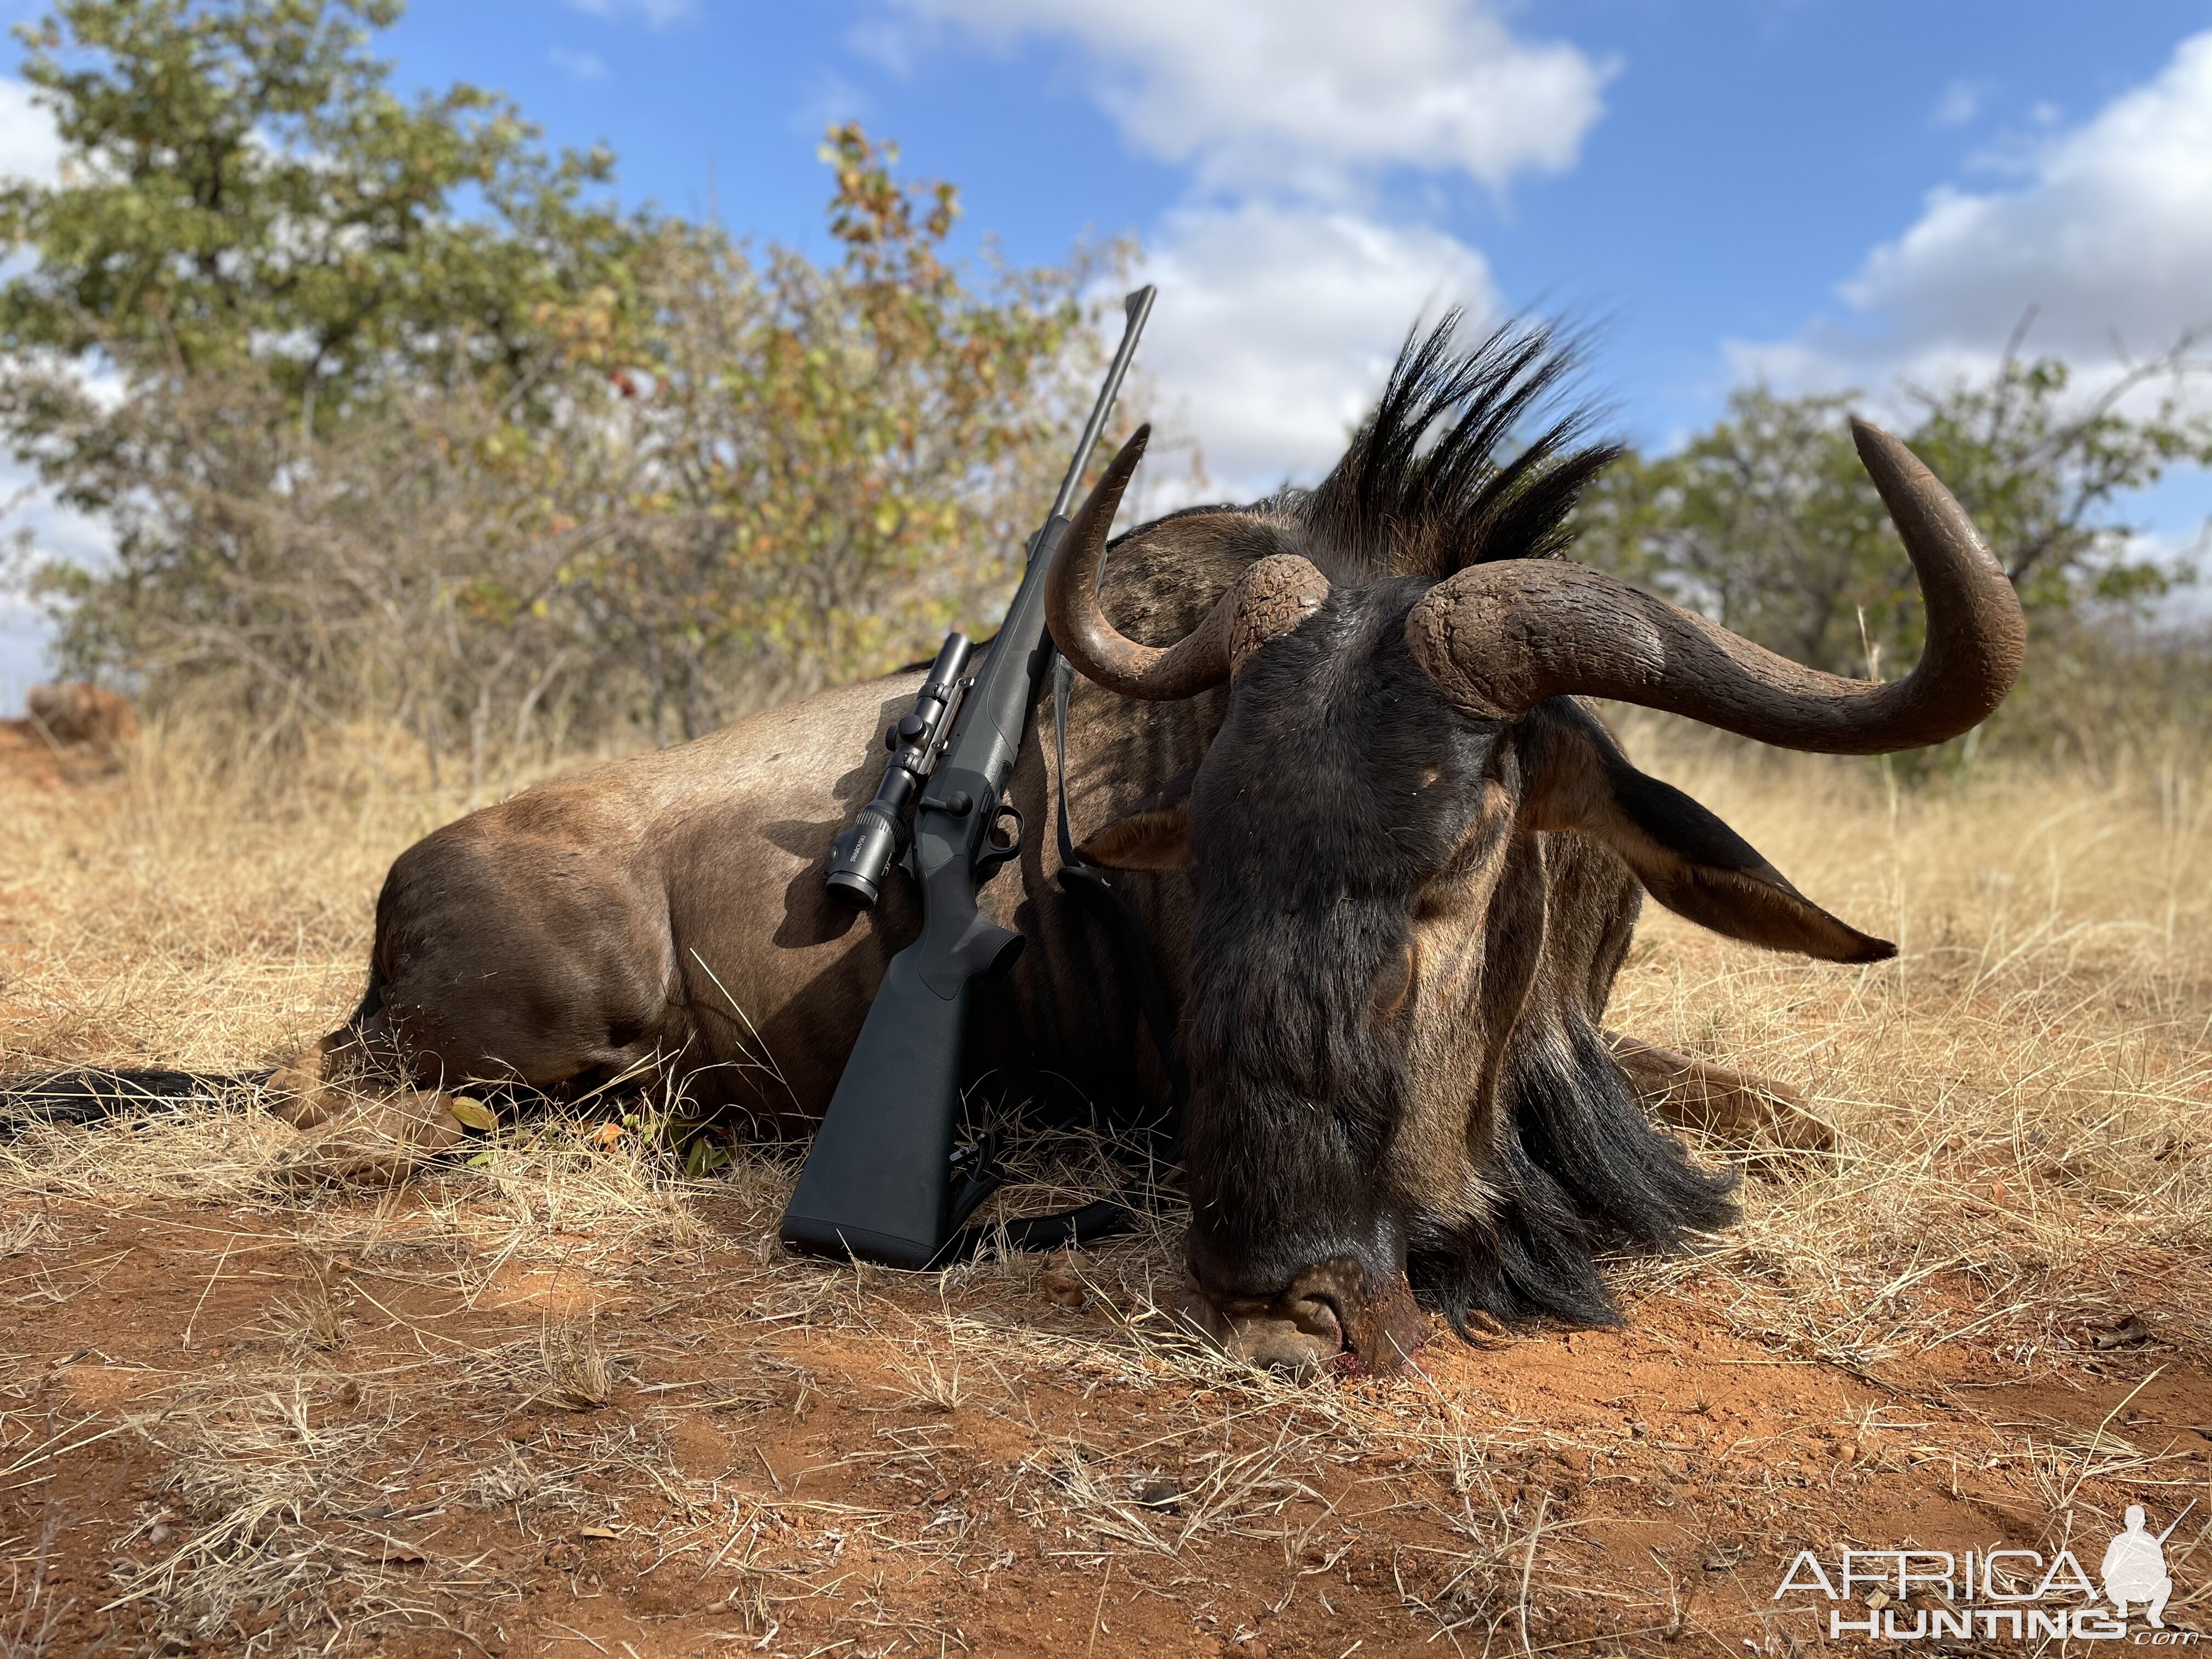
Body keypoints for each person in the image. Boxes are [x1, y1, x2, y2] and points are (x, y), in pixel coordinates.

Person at [2102, 1506, 2172, 1627]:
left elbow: (2162, 1570)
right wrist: (2123, 1574)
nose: (2135, 1525)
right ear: (2127, 1522)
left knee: (2166, 1584)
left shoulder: (2151, 1542)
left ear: (2143, 1522)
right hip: (2121, 1588)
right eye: (2133, 1521)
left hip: (2143, 1588)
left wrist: (2146, 1574)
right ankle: (2122, 1606)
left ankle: (2154, 1615)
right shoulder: (2119, 1541)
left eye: (2137, 1521)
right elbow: (2106, 1570)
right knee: (2110, 1583)